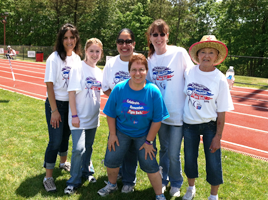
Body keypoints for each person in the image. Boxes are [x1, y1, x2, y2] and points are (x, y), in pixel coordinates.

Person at [98, 54, 169, 200]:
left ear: (146, 70)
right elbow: (110, 113)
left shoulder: (153, 91)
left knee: (149, 163)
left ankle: (159, 195)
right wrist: (113, 134)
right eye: (134, 69)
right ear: (129, 71)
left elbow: (157, 120)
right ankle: (112, 185)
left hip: (144, 134)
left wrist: (149, 141)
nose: (138, 73)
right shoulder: (119, 89)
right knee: (111, 158)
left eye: (141, 69)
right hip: (121, 131)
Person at [182, 35, 234, 200]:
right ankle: (191, 188)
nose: (206, 55)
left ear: (216, 56)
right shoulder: (188, 72)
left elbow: (222, 111)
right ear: (197, 55)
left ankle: (213, 195)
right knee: (190, 158)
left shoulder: (220, 79)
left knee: (213, 161)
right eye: (203, 52)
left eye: (211, 52)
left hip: (210, 126)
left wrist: (218, 136)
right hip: (190, 124)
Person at [146, 19, 194, 197]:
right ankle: (164, 179)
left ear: (167, 36)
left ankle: (176, 182)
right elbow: (148, 85)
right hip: (159, 116)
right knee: (163, 150)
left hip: (177, 114)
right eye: (155, 34)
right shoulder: (150, 59)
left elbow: (192, 74)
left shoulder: (179, 53)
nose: (158, 38)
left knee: (174, 153)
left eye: (162, 34)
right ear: (150, 37)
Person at [43, 23, 82, 192]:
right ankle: (48, 177)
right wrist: (54, 110)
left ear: (76, 39)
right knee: (55, 140)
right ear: (61, 39)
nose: (69, 41)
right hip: (56, 104)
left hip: (71, 104)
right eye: (65, 37)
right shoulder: (54, 58)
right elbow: (49, 86)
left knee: (66, 137)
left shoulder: (77, 58)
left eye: (72, 37)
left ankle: (63, 162)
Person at [64, 38, 103, 194]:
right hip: (78, 117)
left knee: (88, 148)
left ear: (101, 53)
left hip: (93, 117)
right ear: (86, 51)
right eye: (91, 51)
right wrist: (74, 115)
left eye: (97, 51)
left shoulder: (99, 71)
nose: (94, 54)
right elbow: (71, 93)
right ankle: (73, 181)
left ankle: (87, 173)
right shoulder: (77, 68)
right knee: (78, 149)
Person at [102, 28, 138, 193]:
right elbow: (105, 88)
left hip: (137, 114)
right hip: (118, 114)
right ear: (117, 44)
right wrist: (120, 102)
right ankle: (116, 175)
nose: (124, 45)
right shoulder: (111, 63)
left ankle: (129, 179)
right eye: (121, 41)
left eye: (128, 41)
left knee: (131, 148)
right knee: (115, 144)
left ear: (133, 43)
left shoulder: (140, 61)